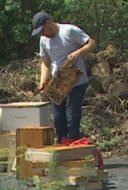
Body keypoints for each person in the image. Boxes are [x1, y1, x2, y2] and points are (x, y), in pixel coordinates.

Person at [31, 11, 95, 143]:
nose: (42, 34)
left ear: (48, 23)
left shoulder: (69, 31)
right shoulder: (43, 40)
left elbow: (91, 43)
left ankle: (73, 145)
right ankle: (62, 144)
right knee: (58, 117)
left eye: (42, 30)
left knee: (72, 115)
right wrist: (43, 80)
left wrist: (77, 53)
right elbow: (46, 63)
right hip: (59, 80)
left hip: (76, 79)